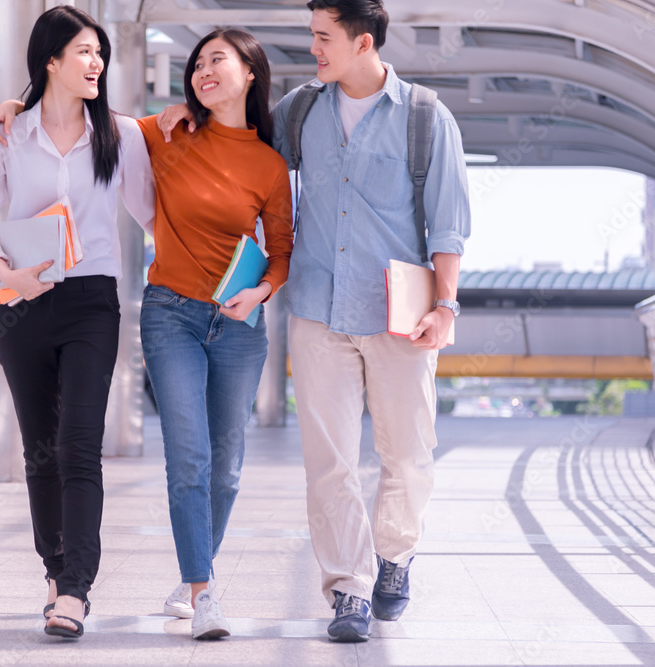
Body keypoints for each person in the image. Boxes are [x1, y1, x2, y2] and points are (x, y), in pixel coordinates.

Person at [156, 0, 470, 643]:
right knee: (328, 461)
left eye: (323, 38)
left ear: (362, 42)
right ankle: (347, 591)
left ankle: (395, 555)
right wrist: (188, 113)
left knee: (406, 454)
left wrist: (446, 305)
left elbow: (450, 223)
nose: (314, 50)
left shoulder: (424, 118)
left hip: (399, 316)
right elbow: (239, 142)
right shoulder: (301, 110)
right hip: (318, 310)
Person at [0, 29, 293, 640]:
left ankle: (190, 572)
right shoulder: (162, 131)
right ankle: (200, 591)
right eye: (197, 63)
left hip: (236, 321)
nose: (203, 72)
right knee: (189, 456)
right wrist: (14, 105)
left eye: (217, 62)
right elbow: (84, 111)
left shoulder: (269, 163)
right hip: (169, 312)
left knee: (225, 469)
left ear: (251, 74)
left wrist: (259, 291)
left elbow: (281, 250)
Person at [0, 6, 154, 640]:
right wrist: (1, 272)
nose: (97, 62)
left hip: (91, 303)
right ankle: (55, 570)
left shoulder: (119, 137)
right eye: (84, 52)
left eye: (101, 52)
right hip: (21, 303)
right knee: (39, 452)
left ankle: (75, 589)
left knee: (78, 445)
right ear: (50, 61)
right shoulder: (8, 135)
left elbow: (153, 213)